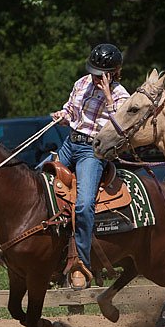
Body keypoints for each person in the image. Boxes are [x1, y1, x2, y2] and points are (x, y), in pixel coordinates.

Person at [51, 43, 130, 288]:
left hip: (93, 151)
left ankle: (81, 264)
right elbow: (71, 111)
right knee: (36, 183)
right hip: (70, 143)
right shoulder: (81, 83)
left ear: (113, 73)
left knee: (84, 204)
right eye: (94, 72)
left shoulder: (121, 96)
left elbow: (122, 129)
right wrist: (62, 116)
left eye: (100, 74)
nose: (95, 77)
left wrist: (108, 98)